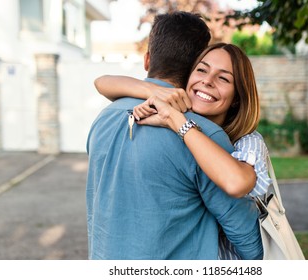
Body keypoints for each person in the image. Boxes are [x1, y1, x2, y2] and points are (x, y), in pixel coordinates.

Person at [86, 11, 263, 260]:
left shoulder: (105, 118)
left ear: (147, 60)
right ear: (194, 68)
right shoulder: (203, 135)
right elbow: (249, 241)